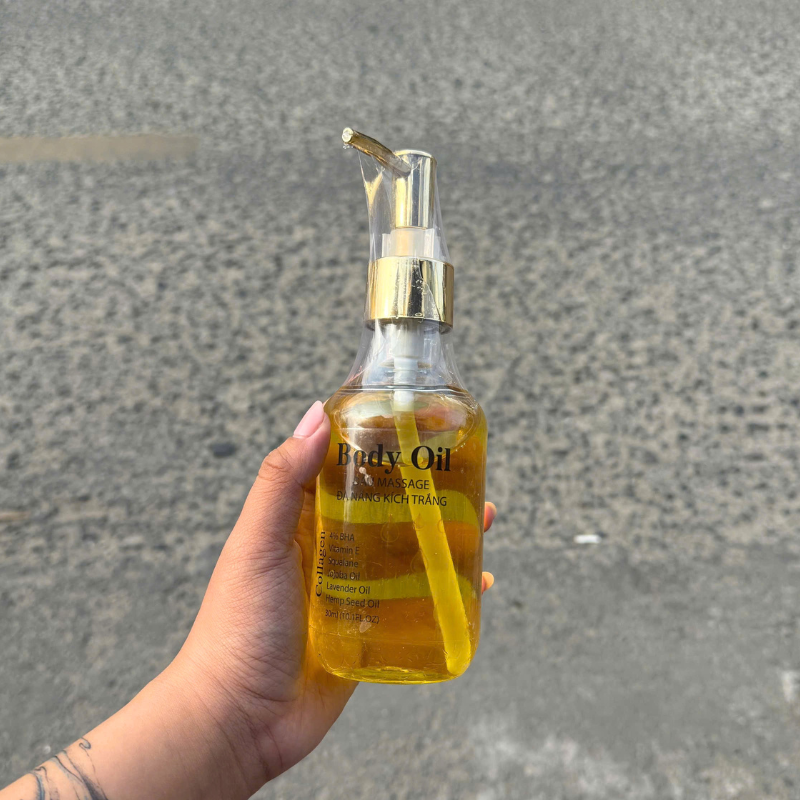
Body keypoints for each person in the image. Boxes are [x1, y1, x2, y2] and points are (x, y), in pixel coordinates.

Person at [1, 401, 497, 800]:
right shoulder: (359, 411)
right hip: (337, 643)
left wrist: (235, 715)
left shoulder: (456, 415)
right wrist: (236, 706)